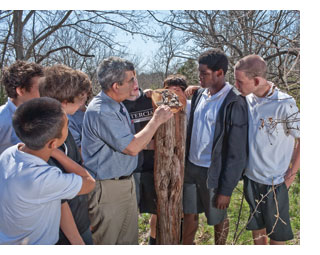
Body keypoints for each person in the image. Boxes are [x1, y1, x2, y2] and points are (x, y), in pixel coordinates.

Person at [81, 56, 173, 245]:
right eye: (131, 80)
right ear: (116, 86)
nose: (134, 84)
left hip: (124, 183)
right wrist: (156, 120)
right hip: (107, 189)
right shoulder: (101, 110)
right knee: (107, 242)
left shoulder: (117, 104)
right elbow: (131, 148)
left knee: (127, 242)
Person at [0, 97, 95, 244]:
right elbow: (89, 183)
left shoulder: (10, 153)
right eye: (66, 125)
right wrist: (58, 153)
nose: (68, 127)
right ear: (53, 142)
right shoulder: (43, 178)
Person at [182, 49, 248, 245]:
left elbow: (237, 152)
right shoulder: (199, 95)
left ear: (220, 73)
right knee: (189, 214)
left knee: (218, 218)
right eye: (199, 73)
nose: (199, 77)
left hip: (214, 172)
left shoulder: (234, 101)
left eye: (204, 73)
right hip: (191, 168)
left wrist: (226, 190)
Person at [234, 54, 300, 245]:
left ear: (256, 80)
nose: (236, 85)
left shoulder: (285, 103)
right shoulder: (247, 98)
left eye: (240, 81)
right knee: (258, 231)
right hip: (251, 179)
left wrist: (291, 174)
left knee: (276, 235)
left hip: (275, 182)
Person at [39, 64, 94, 245]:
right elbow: (59, 200)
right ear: (64, 102)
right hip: (64, 233)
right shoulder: (48, 137)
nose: (83, 102)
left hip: (80, 218)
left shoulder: (64, 126)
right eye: (80, 98)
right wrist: (77, 241)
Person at [0, 60, 43, 155]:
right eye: (40, 88)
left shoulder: (40, 115)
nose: (44, 92)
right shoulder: (2, 119)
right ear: (21, 91)